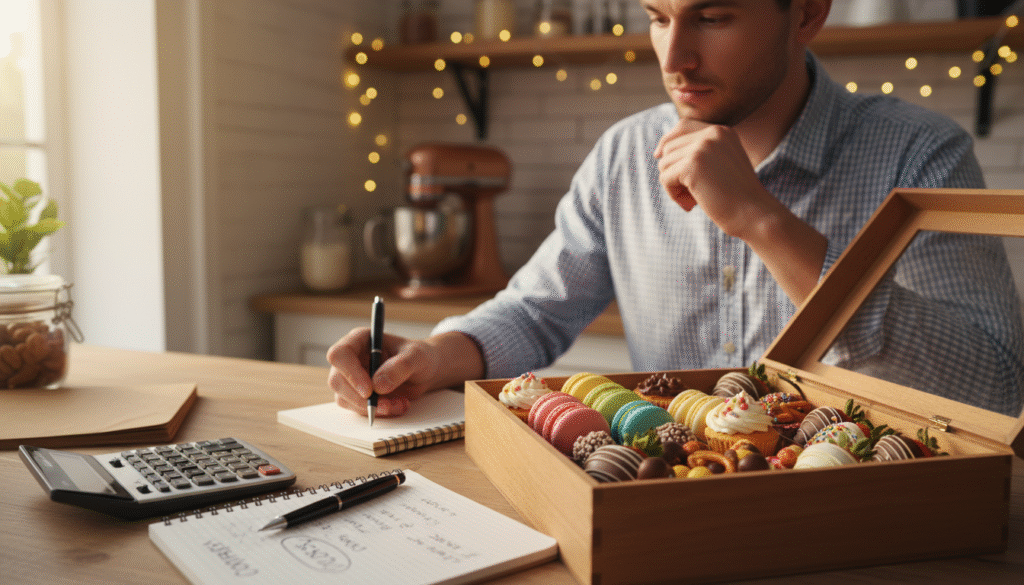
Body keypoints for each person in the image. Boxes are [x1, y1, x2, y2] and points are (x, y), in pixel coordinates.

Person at [329, 0, 1024, 417]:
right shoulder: (625, 153)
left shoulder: (921, 153)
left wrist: (762, 221)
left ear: (807, 12)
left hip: (860, 530)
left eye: (713, 16)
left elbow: (991, 387)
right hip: (656, 511)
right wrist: (431, 353)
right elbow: (536, 310)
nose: (675, 56)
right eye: (658, 16)